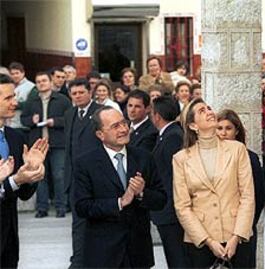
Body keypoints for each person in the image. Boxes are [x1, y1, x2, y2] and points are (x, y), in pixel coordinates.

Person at [73, 106, 166, 268]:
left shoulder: (144, 157)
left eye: (124, 123)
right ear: (100, 134)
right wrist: (120, 202)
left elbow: (161, 199)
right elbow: (82, 206)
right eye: (115, 126)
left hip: (138, 252)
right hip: (103, 253)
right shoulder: (85, 163)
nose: (123, 129)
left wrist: (142, 193)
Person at [173, 98, 255, 268]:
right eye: (202, 111)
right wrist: (208, 241)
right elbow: (182, 206)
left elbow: (247, 196)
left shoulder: (236, 149)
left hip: (237, 236)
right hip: (201, 240)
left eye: (209, 108)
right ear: (193, 125)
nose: (209, 112)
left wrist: (236, 237)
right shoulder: (181, 159)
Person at [0, 73, 48, 268]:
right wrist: (15, 180)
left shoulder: (16, 138)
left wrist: (32, 172)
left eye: (14, 96)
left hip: (9, 238)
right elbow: (12, 184)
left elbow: (24, 195)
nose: (15, 102)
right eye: (8, 98)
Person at [216, 109, 265, 268]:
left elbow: (258, 196)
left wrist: (245, 226)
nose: (223, 133)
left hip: (242, 230)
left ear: (237, 131)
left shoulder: (249, 157)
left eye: (228, 128)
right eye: (219, 128)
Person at [21, 72, 72, 218]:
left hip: (57, 144)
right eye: (38, 82)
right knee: (39, 176)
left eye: (44, 81)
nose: (41, 83)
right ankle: (41, 208)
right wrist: (32, 119)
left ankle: (61, 206)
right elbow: (24, 120)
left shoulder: (62, 100)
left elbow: (69, 119)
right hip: (38, 146)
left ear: (50, 82)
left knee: (59, 175)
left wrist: (55, 122)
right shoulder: (31, 101)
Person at [64, 78, 102, 268]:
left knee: (97, 223)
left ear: (90, 92)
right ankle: (77, 260)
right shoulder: (70, 113)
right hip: (75, 179)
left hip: (96, 178)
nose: (77, 96)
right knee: (78, 223)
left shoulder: (100, 113)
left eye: (81, 92)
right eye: (74, 93)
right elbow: (68, 147)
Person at [150, 96, 189, 268]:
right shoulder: (166, 135)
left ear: (157, 115)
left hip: (172, 213)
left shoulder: (173, 136)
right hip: (167, 211)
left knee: (178, 259)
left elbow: (175, 177)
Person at [7, 62, 35, 140]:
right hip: (8, 125)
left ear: (23, 73)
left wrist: (17, 105)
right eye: (12, 74)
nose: (15, 76)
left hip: (22, 127)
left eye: (17, 73)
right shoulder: (9, 86)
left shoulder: (31, 87)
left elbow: (32, 105)